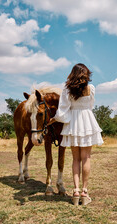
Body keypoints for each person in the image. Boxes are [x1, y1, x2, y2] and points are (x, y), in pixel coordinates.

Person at [48, 63, 103, 205]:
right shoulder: (91, 89)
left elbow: (63, 110)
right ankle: (85, 192)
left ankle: (76, 191)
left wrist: (55, 118)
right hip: (87, 121)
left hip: (73, 123)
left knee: (75, 159)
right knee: (86, 158)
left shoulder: (67, 90)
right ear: (86, 74)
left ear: (72, 74)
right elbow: (90, 106)